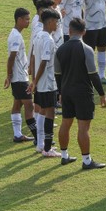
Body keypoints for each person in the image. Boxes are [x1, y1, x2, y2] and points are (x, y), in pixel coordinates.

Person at [55, 18, 106, 169]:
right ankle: (86, 161)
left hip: (66, 92)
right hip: (83, 93)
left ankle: (64, 156)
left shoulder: (60, 50)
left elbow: (57, 75)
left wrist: (60, 92)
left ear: (69, 31)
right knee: (83, 128)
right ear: (84, 32)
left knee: (66, 123)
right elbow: (93, 74)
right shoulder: (86, 49)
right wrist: (102, 94)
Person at [27, 9, 62, 157]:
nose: (57, 24)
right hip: (47, 82)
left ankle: (40, 144)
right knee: (50, 113)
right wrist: (35, 80)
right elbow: (43, 62)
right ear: (49, 22)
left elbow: (34, 59)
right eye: (56, 21)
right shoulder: (48, 39)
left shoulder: (38, 36)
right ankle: (47, 149)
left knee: (41, 111)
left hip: (40, 82)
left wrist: (34, 80)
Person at [5, 8, 37, 143]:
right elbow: (11, 57)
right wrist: (9, 75)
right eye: (26, 19)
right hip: (19, 78)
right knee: (30, 106)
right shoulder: (16, 37)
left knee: (17, 104)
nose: (28, 22)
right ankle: (38, 137)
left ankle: (18, 135)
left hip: (19, 76)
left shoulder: (16, 34)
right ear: (19, 19)